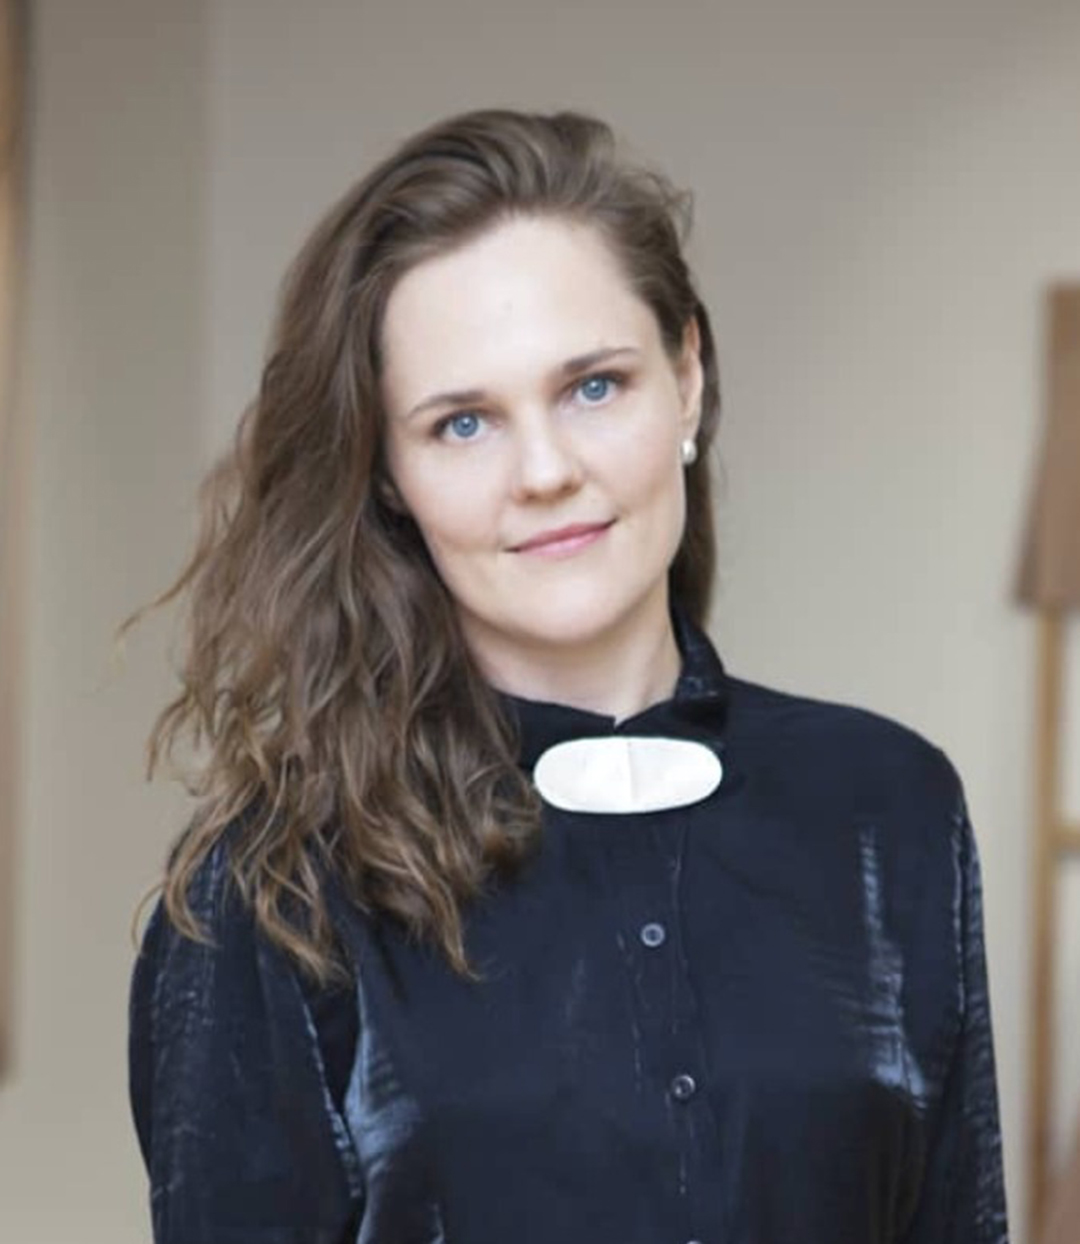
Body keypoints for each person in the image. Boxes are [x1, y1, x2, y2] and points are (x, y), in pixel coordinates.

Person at [128, 108, 1010, 1244]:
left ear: (687, 378)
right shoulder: (275, 887)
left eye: (593, 386)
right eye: (462, 423)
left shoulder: (887, 807)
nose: (544, 471)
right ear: (388, 474)